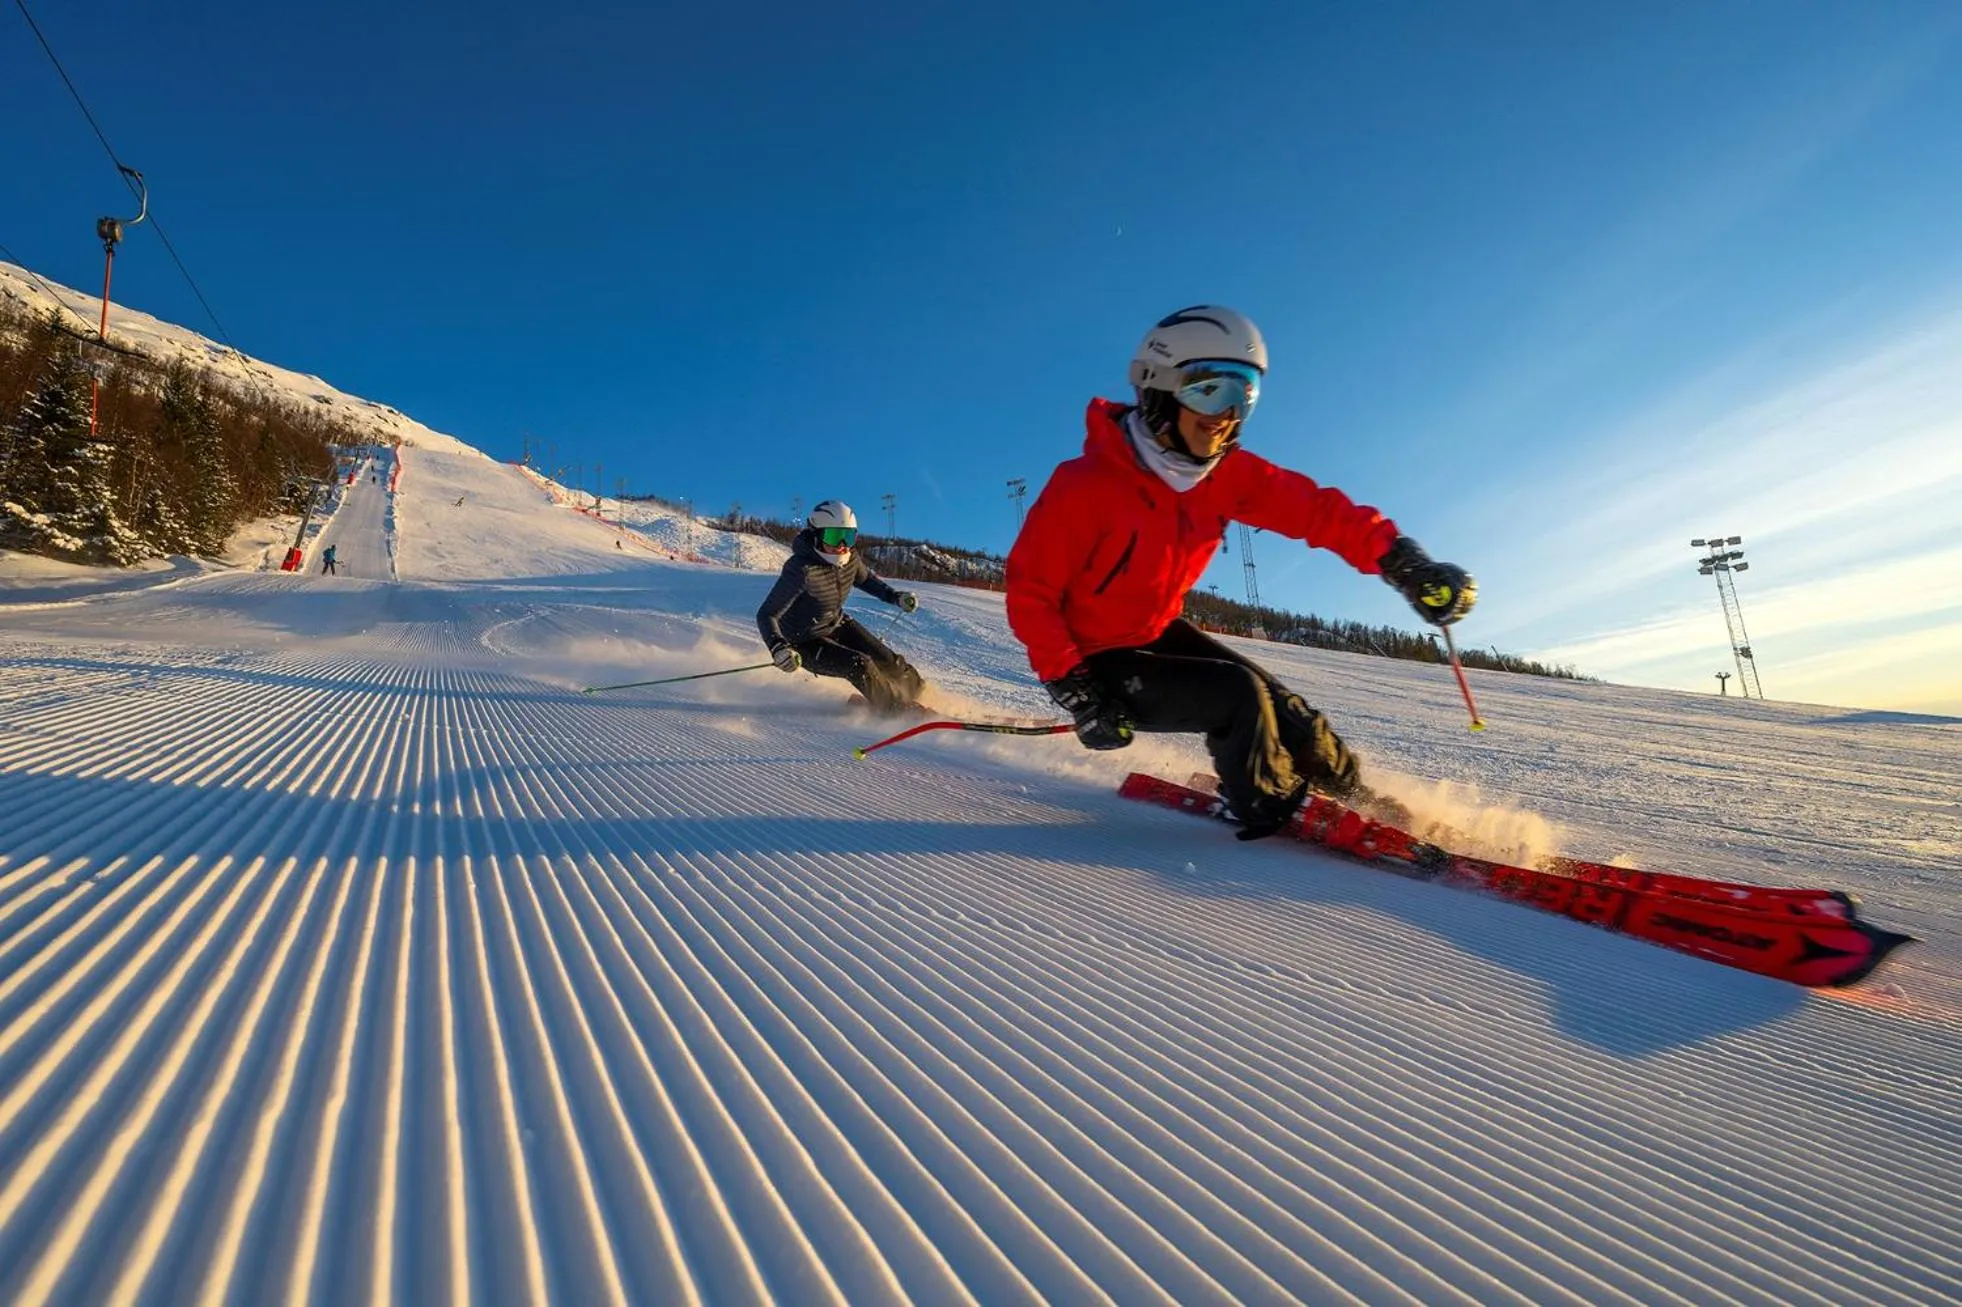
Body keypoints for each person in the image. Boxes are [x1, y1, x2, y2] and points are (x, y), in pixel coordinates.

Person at [1005, 306, 1476, 840]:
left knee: (1290, 714)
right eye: (1209, 391)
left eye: (1244, 395)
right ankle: (1268, 805)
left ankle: (1365, 806)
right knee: (1238, 697)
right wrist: (1075, 688)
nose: (1226, 414)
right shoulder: (1086, 485)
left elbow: (1318, 512)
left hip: (1153, 632)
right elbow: (1030, 592)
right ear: (1158, 388)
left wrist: (1403, 562)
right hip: (1094, 659)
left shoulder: (1225, 475)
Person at [757, 500, 927, 714]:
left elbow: (867, 580)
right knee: (859, 664)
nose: (842, 545)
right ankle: (896, 711)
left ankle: (920, 694)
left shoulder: (849, 559)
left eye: (848, 536)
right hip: (804, 642)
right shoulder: (801, 569)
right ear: (816, 535)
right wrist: (778, 648)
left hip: (836, 624)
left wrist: (895, 597)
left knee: (888, 661)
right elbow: (767, 614)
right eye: (834, 536)